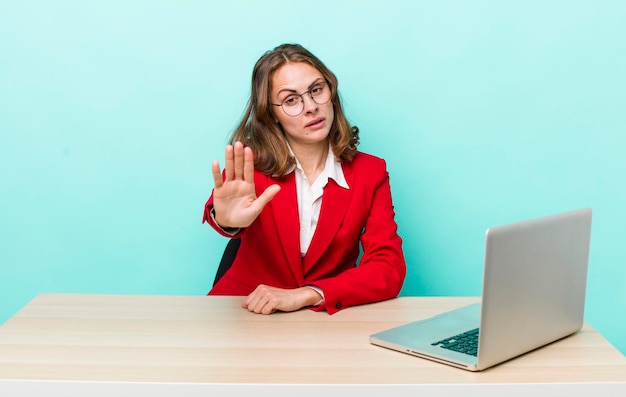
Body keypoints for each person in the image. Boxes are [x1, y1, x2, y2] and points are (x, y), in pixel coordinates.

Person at [203, 43, 406, 315]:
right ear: (271, 114)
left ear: (331, 92)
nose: (310, 107)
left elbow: (388, 267)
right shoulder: (250, 167)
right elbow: (225, 214)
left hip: (325, 316)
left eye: (316, 90)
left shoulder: (371, 172)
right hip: (243, 308)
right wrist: (226, 221)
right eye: (290, 100)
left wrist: (309, 294)